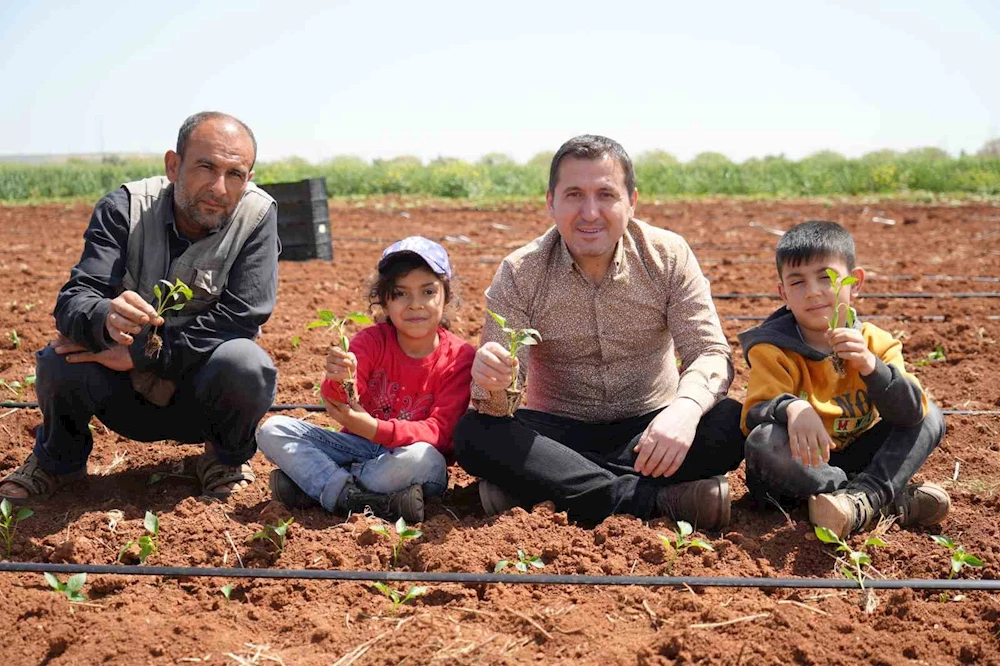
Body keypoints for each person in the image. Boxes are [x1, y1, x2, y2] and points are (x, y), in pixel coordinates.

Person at [453, 135, 744, 528]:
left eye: (605, 194)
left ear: (632, 201)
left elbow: (710, 352)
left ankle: (543, 489)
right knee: (477, 433)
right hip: (558, 434)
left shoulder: (669, 256)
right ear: (550, 202)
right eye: (574, 194)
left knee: (731, 421)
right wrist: (494, 383)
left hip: (652, 429)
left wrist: (685, 410)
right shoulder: (521, 273)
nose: (590, 212)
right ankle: (653, 502)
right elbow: (499, 405)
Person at [0, 112, 279, 502]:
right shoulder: (125, 208)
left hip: (200, 391)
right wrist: (105, 318)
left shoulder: (257, 216)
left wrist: (143, 353)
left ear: (248, 178)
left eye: (235, 174)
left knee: (246, 364)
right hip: (122, 396)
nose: (219, 187)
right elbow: (76, 299)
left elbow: (244, 314)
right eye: (206, 167)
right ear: (173, 165)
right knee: (60, 358)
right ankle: (57, 462)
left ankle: (224, 459)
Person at [739, 220, 949, 539]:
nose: (813, 292)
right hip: (803, 465)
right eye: (797, 283)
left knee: (928, 414)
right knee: (763, 441)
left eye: (827, 278)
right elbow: (754, 413)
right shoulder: (773, 349)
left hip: (858, 456)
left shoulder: (876, 343)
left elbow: (908, 413)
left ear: (855, 282)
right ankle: (879, 500)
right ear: (782, 292)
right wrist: (792, 409)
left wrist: (870, 366)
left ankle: (860, 501)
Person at [257, 237, 475, 523]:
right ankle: (368, 501)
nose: (415, 305)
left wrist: (373, 428)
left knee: (424, 458)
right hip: (356, 448)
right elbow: (341, 401)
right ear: (384, 300)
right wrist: (337, 377)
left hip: (407, 460)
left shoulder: (460, 356)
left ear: (445, 296)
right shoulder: (371, 341)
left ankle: (322, 488)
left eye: (428, 291)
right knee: (274, 429)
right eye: (400, 294)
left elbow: (440, 434)